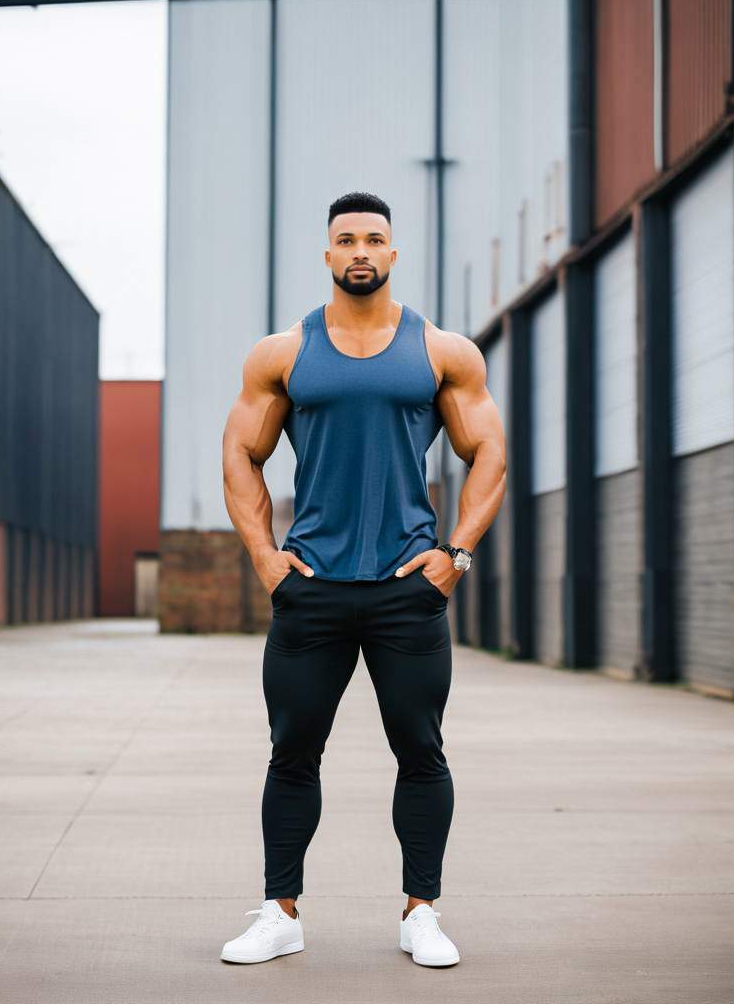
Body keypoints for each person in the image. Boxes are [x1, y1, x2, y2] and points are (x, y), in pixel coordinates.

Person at [219, 190, 506, 966]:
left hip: (406, 591)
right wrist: (266, 561)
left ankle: (422, 913)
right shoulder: (282, 354)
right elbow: (241, 452)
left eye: (373, 239)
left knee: (421, 751)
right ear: (327, 254)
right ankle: (280, 911)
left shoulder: (442, 352)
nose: (359, 252)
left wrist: (458, 556)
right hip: (310, 588)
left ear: (392, 252)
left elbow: (489, 452)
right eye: (345, 239)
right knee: (291, 753)